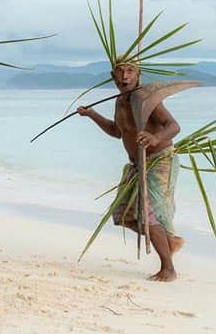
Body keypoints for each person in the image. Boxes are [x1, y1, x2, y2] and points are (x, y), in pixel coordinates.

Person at [77, 60, 184, 282]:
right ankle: (169, 242)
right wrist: (92, 114)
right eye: (120, 71)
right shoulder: (120, 101)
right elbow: (118, 131)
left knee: (148, 214)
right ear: (112, 76)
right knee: (124, 215)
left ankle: (168, 269)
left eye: (130, 71)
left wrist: (155, 137)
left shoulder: (145, 98)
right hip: (137, 164)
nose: (124, 76)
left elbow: (173, 126)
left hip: (159, 160)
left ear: (138, 74)